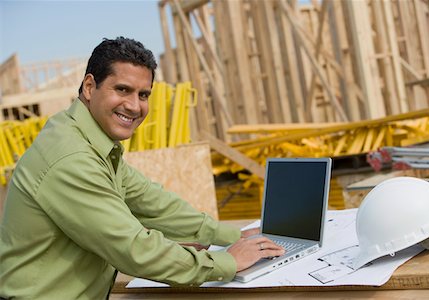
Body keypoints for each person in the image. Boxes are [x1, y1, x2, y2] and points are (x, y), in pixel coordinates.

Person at [0, 37, 284, 299]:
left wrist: (232, 236)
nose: (134, 106)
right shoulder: (71, 158)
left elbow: (152, 201)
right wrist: (228, 261)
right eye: (122, 89)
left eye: (143, 94)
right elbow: (133, 249)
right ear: (89, 87)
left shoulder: (88, 140)